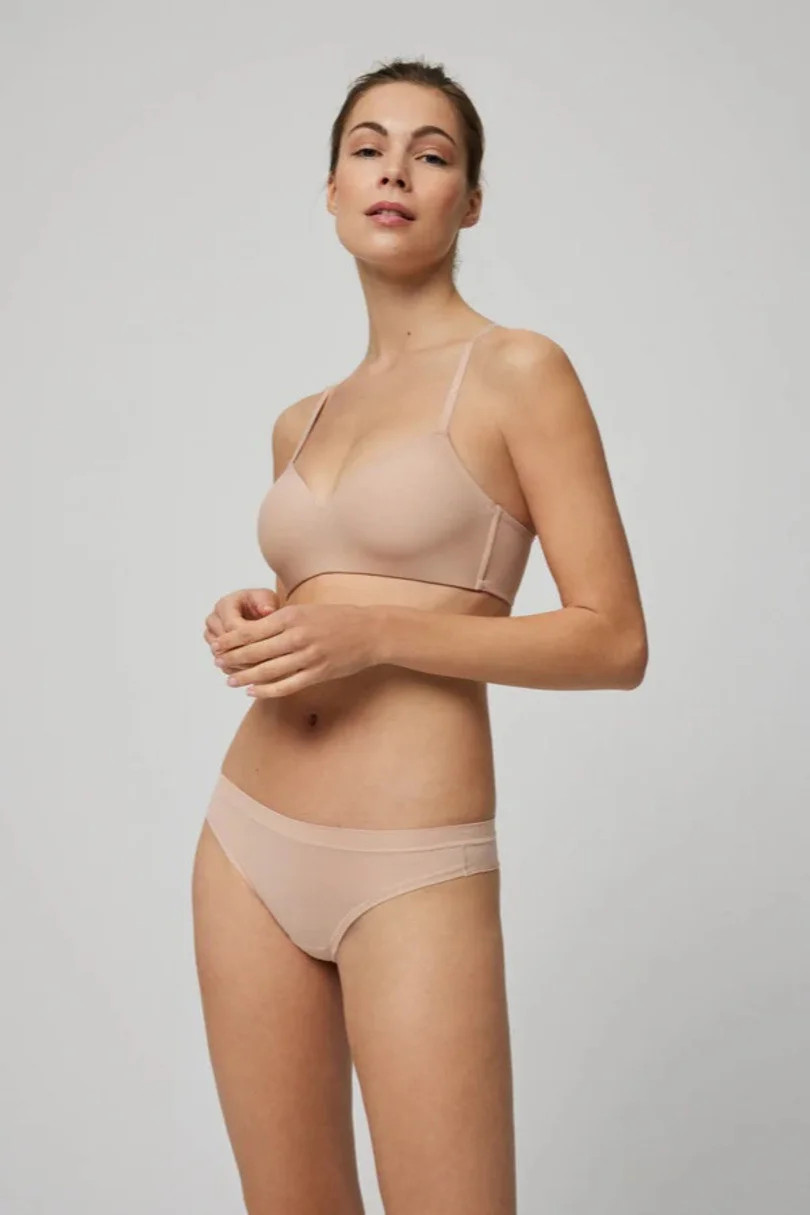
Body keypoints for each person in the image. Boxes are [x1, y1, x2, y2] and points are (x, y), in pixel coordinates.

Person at [191, 56, 648, 1215]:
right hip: (245, 843)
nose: (395, 170)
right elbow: (321, 610)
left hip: (410, 861)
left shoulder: (518, 371)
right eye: (368, 148)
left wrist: (378, 633)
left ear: (469, 201)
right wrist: (257, 617)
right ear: (333, 188)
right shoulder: (302, 419)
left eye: (431, 154)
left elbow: (613, 641)